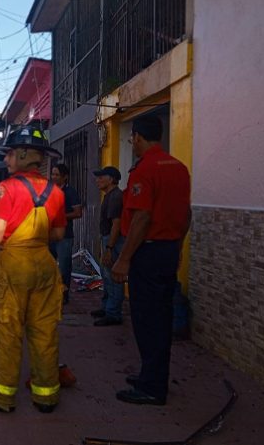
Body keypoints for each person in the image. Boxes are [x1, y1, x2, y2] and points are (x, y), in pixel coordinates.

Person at [0, 126, 67, 414]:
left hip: (13, 266)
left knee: (7, 331)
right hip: (44, 266)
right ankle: (46, 396)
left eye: (10, 154)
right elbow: (59, 234)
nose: (6, 160)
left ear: (24, 155)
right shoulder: (56, 192)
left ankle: (0, 397)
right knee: (44, 332)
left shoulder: (8, 188)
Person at [112, 115, 191, 406]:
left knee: (147, 319)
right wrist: (178, 246)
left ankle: (152, 387)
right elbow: (187, 215)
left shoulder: (145, 170)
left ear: (139, 137)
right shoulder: (179, 168)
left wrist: (123, 259)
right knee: (162, 316)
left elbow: (141, 218)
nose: (132, 143)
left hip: (147, 252)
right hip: (168, 249)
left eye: (132, 139)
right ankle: (151, 375)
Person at [90, 166, 125, 326]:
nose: (97, 180)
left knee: (113, 277)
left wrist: (110, 248)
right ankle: (106, 307)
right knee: (106, 276)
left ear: (111, 179)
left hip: (113, 241)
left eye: (101, 177)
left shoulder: (115, 197)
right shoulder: (110, 196)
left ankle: (113, 313)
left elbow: (116, 224)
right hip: (108, 239)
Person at [50, 163, 83, 304]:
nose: (54, 177)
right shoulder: (49, 191)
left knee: (64, 268)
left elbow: (78, 213)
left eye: (57, 174)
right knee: (48, 266)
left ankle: (63, 296)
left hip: (64, 236)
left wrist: (61, 216)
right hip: (49, 235)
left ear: (65, 177)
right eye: (52, 174)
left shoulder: (70, 192)